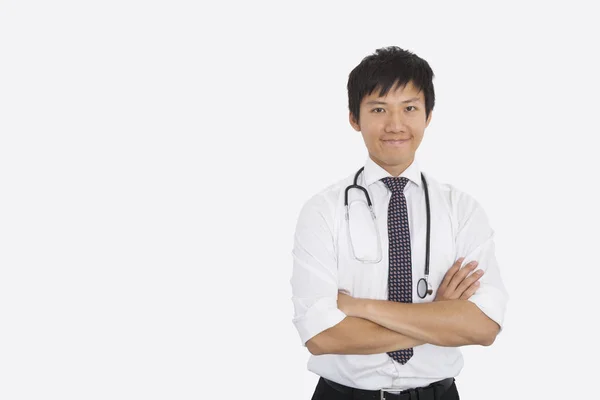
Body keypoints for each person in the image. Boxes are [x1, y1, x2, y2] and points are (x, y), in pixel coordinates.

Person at [290, 46, 508, 400]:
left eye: (409, 108)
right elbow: (321, 337)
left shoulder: (462, 210)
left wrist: (360, 307)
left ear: (428, 115)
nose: (395, 125)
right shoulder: (322, 211)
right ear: (354, 118)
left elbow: (483, 327)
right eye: (378, 109)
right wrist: (439, 318)